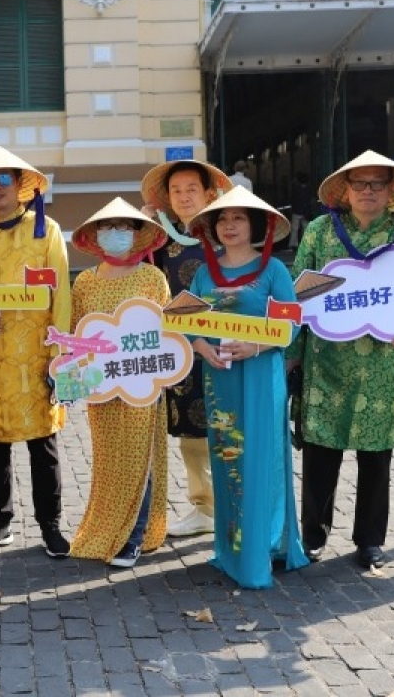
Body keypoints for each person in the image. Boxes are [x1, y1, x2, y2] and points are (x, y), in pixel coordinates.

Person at [288, 151, 394, 568]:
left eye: (377, 184)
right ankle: (313, 534)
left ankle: (370, 540)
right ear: (344, 191)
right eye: (359, 184)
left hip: (382, 363)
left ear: (391, 192)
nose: (368, 191)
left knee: (376, 457)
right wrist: (293, 357)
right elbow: (297, 295)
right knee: (319, 455)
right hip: (325, 360)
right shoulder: (318, 232)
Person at [0, 147, 72, 558]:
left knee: (45, 444)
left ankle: (51, 525)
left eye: (5, 178)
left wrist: (62, 350)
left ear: (23, 186)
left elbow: (62, 293)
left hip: (39, 351)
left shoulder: (47, 231)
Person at [187, 187, 308, 589]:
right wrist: (202, 347)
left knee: (260, 458)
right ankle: (231, 548)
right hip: (219, 379)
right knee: (227, 457)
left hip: (260, 376)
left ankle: (260, 551)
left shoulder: (274, 270)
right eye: (222, 219)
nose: (230, 226)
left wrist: (257, 344)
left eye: (238, 218)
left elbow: (291, 323)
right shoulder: (204, 272)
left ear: (256, 225)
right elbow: (187, 322)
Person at [67, 198, 170, 568]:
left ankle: (134, 535)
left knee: (140, 458)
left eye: (124, 227)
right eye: (107, 227)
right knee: (110, 461)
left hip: (143, 384)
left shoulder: (152, 278)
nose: (115, 234)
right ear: (95, 236)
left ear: (138, 234)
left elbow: (167, 332)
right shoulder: (85, 282)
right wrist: (70, 377)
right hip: (102, 387)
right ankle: (108, 525)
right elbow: (77, 333)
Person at [140, 159, 232, 539]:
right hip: (179, 346)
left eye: (191, 189)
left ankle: (236, 504)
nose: (183, 197)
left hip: (225, 342)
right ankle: (204, 506)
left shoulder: (227, 231)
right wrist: (144, 228)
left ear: (209, 193)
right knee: (192, 432)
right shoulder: (162, 238)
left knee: (229, 426)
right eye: (175, 191)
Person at [289, 173, 314, 248]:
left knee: (294, 229)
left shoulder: (295, 189)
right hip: (306, 212)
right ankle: (305, 244)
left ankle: (293, 244)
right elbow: (311, 201)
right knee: (306, 229)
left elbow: (292, 200)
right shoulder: (309, 189)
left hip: (296, 211)